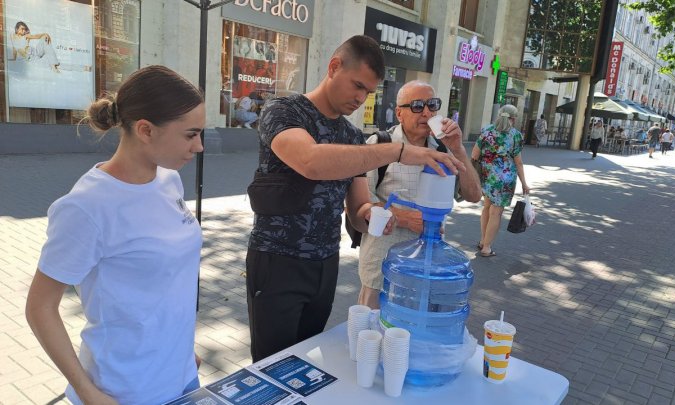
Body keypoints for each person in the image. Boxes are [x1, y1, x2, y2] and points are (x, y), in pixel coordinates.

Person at [245, 35, 463, 362]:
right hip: (278, 259)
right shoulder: (284, 111)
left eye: (369, 92)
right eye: (357, 86)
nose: (361, 98)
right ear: (334, 67)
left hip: (325, 263)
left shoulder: (351, 135)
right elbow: (311, 161)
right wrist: (399, 151)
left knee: (305, 360)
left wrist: (379, 216)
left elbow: (358, 207)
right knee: (270, 364)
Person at [25, 66, 205, 405]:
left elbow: (166, 284)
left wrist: (182, 351)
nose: (199, 147)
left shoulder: (169, 181)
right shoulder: (86, 208)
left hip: (182, 376)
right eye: (190, 134)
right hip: (124, 392)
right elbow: (39, 307)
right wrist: (87, 392)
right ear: (146, 130)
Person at [357, 80, 482, 309]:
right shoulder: (380, 144)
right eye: (416, 106)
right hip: (382, 257)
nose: (426, 112)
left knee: (411, 326)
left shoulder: (442, 149)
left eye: (432, 105)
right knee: (371, 324)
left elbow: (474, 195)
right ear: (399, 113)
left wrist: (458, 149)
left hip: (426, 263)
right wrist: (404, 218)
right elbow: (361, 201)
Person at [470, 104, 530, 257]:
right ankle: (487, 248)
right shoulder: (515, 135)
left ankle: (483, 241)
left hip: (486, 176)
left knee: (486, 208)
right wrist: (524, 183)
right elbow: (519, 163)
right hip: (505, 179)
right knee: (496, 213)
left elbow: (474, 155)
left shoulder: (486, 130)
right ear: (513, 118)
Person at [8, 21, 91, 72]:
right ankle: (84, 68)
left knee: (44, 38)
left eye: (24, 29)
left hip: (36, 51)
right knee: (58, 65)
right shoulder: (12, 37)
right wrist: (12, 59)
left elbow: (36, 36)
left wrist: (45, 34)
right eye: (22, 29)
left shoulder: (26, 36)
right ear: (17, 29)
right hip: (33, 59)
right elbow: (14, 49)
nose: (23, 31)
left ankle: (53, 64)